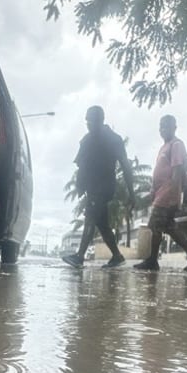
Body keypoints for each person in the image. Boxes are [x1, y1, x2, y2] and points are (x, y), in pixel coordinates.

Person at [62, 106, 135, 268]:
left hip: (104, 186)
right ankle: (117, 256)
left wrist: (131, 193)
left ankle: (79, 256)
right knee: (102, 224)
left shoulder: (113, 139)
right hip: (92, 187)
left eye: (92, 121)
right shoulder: (87, 139)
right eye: (87, 121)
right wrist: (80, 185)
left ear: (101, 120)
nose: (89, 124)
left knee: (90, 217)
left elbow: (126, 166)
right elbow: (81, 165)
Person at [134, 115, 187, 271]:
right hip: (160, 192)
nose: (162, 130)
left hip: (168, 192)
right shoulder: (164, 147)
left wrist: (173, 194)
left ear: (174, 128)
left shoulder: (176, 145)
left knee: (155, 224)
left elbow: (177, 171)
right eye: (161, 127)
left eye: (166, 126)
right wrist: (153, 189)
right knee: (168, 226)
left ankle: (153, 260)